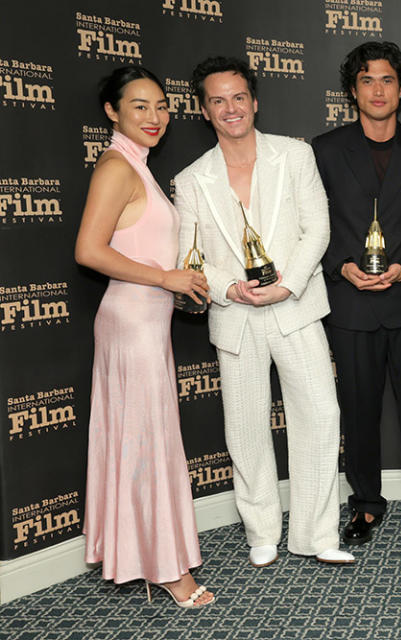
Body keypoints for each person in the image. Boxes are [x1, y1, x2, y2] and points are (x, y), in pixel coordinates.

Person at [174, 56, 354, 567]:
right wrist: (228, 287)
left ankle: (316, 535)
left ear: (254, 101)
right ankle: (262, 532)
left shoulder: (295, 156)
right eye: (217, 100)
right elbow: (188, 259)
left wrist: (288, 286)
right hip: (236, 318)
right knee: (246, 428)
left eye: (238, 97)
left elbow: (317, 229)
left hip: (294, 309)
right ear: (204, 110)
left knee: (320, 415)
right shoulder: (191, 180)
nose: (230, 108)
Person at [76, 66, 214, 607]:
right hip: (131, 322)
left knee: (140, 442)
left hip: (144, 321)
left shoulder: (137, 165)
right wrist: (165, 277)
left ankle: (138, 553)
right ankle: (168, 570)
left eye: (161, 105)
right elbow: (89, 250)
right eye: (139, 106)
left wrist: (174, 281)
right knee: (147, 443)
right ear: (112, 112)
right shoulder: (116, 166)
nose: (154, 117)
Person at [311, 41, 401, 546]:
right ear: (353, 90)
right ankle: (366, 500)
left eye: (387, 79)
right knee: (358, 408)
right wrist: (342, 266)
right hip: (349, 304)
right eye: (367, 80)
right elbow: (312, 225)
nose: (377, 89)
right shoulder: (323, 150)